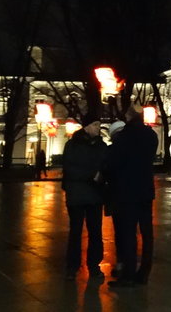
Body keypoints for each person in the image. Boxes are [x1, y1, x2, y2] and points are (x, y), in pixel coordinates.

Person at [105, 104, 158, 288]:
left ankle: (128, 274)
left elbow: (113, 163)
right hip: (146, 190)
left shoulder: (124, 137)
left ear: (128, 116)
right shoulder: (151, 135)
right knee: (147, 233)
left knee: (129, 234)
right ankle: (144, 273)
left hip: (127, 192)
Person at [62, 113, 107, 280]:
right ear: (87, 126)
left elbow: (106, 166)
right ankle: (72, 266)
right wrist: (91, 175)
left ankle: (93, 265)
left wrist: (102, 176)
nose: (98, 128)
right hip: (77, 195)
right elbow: (69, 168)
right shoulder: (72, 145)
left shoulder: (101, 146)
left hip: (94, 195)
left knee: (95, 232)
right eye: (95, 125)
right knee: (76, 231)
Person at [104, 120, 126, 279]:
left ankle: (121, 263)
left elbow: (105, 172)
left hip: (116, 196)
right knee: (130, 232)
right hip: (132, 196)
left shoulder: (110, 151)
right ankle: (128, 264)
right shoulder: (134, 150)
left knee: (120, 231)